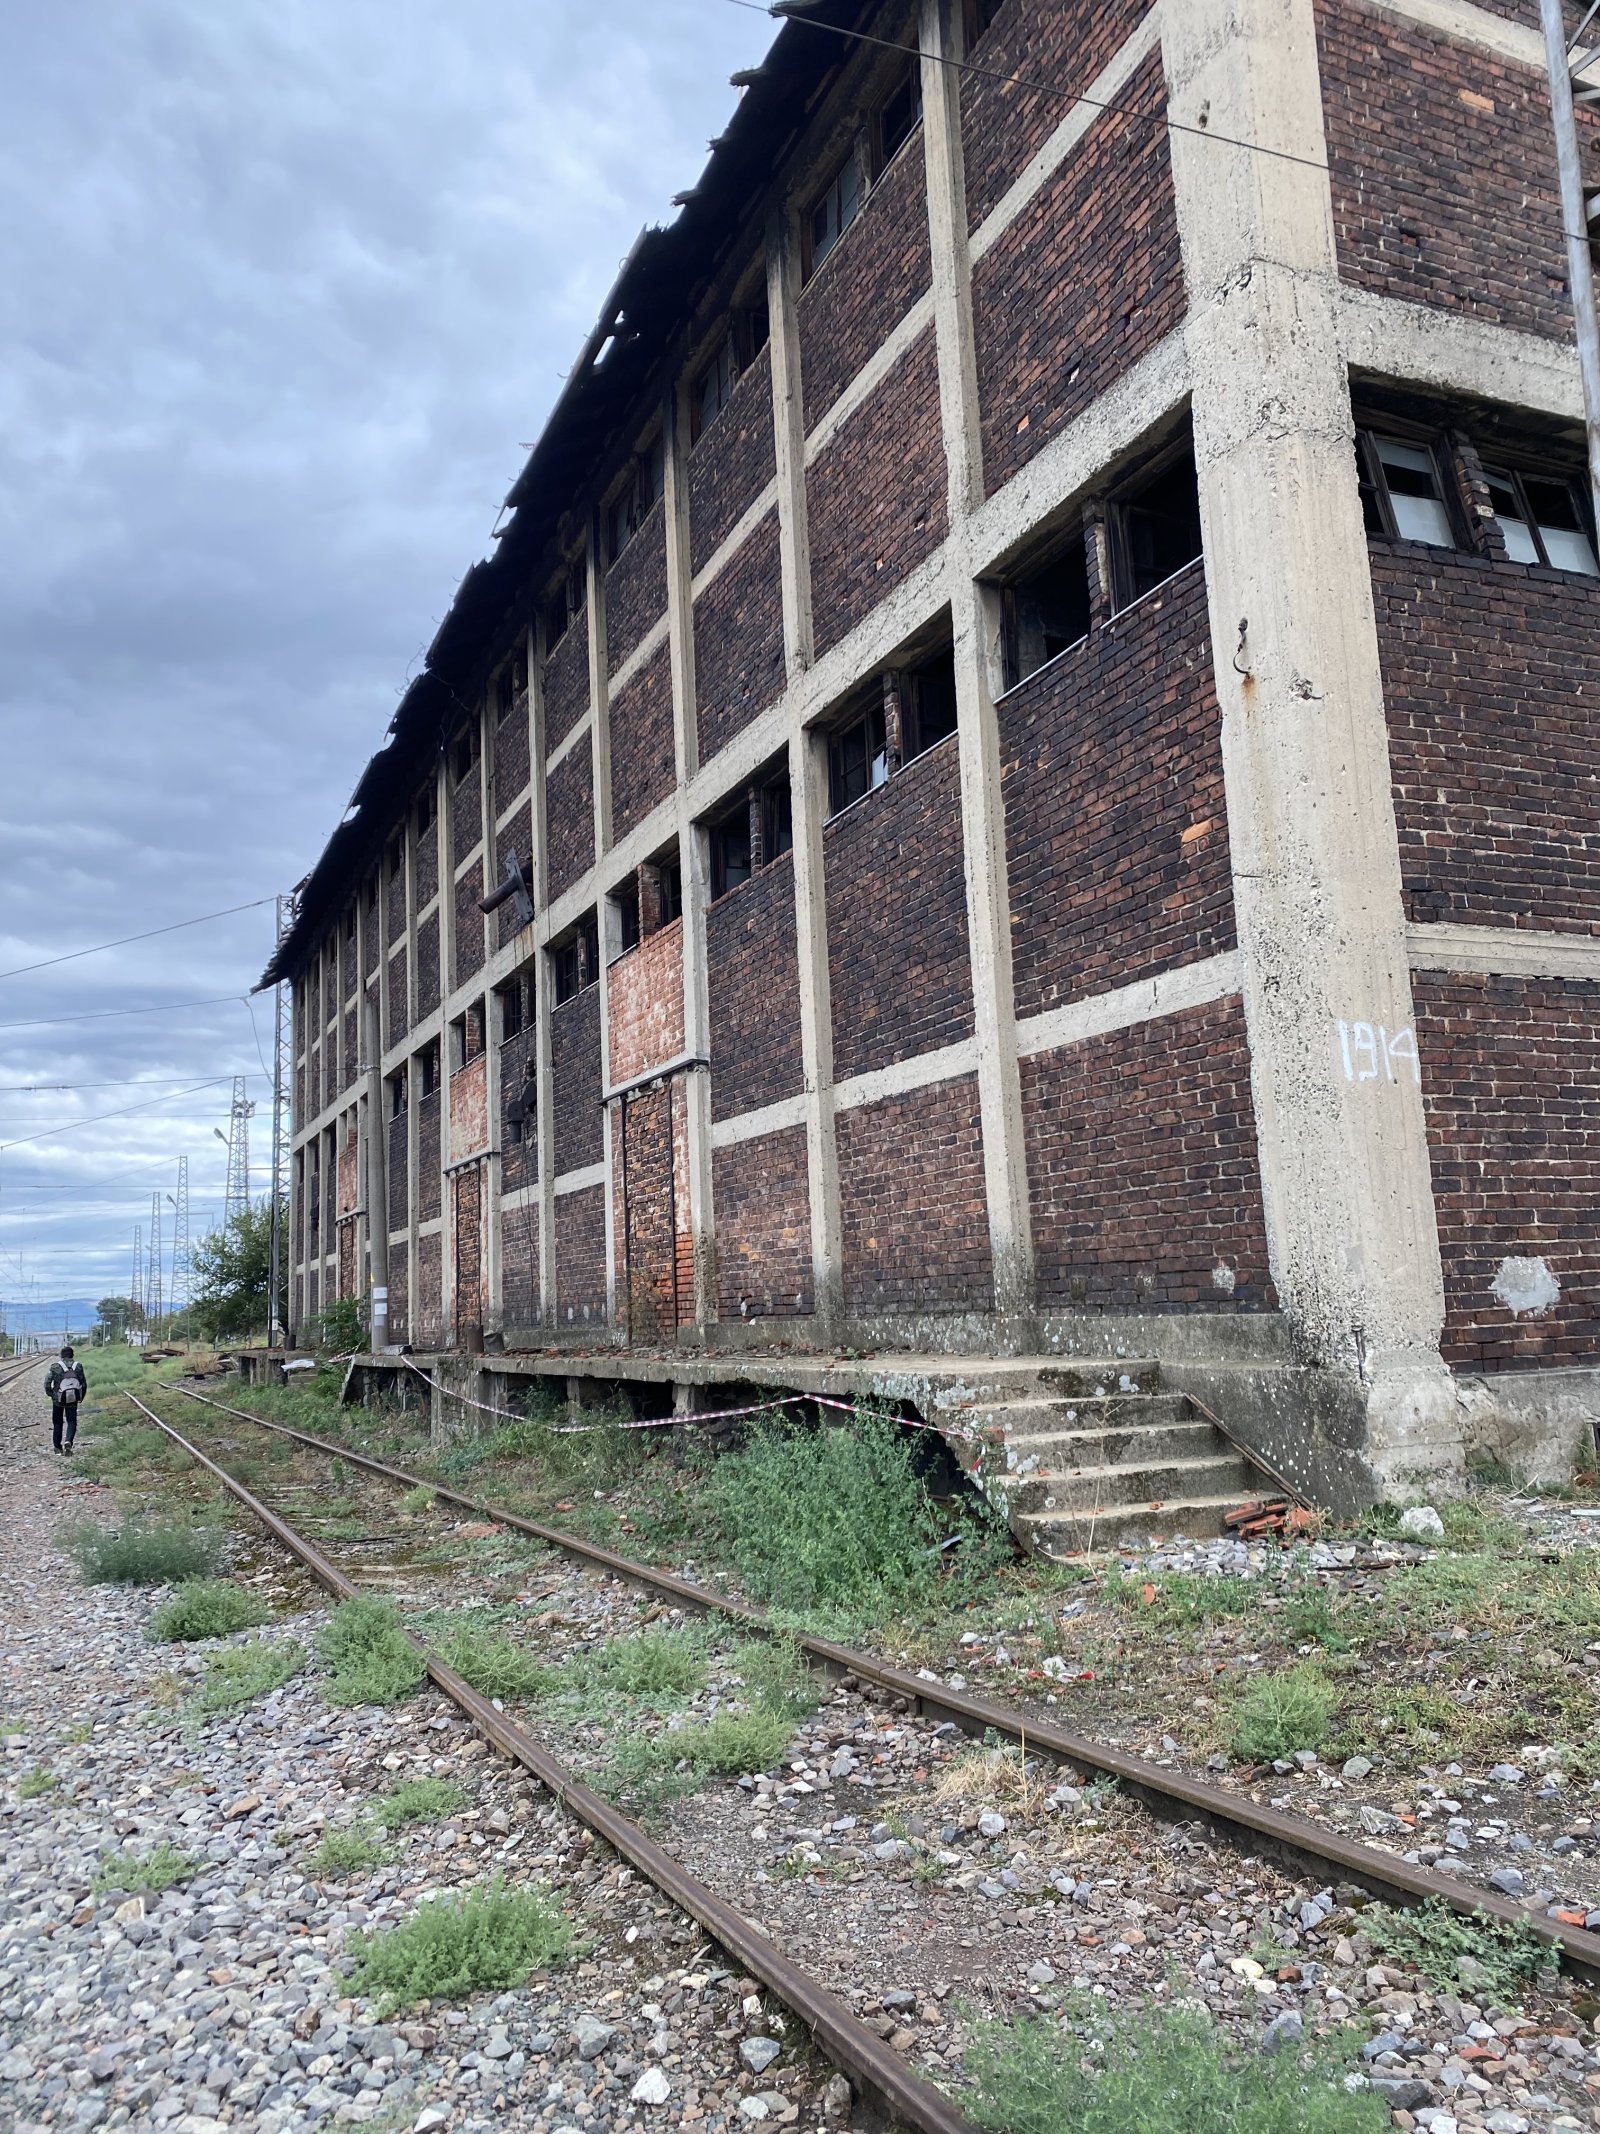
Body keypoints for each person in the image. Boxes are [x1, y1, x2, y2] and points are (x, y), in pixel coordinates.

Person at [44, 1345, 87, 1456]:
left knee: (57, 1422)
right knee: (72, 1421)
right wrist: (81, 1397)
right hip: (72, 1398)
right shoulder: (78, 1366)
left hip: (58, 1399)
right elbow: (83, 1383)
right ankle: (68, 1441)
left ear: (61, 1356)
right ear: (72, 1355)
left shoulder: (55, 1367)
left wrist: (51, 1394)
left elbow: (47, 1383)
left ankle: (57, 1448)